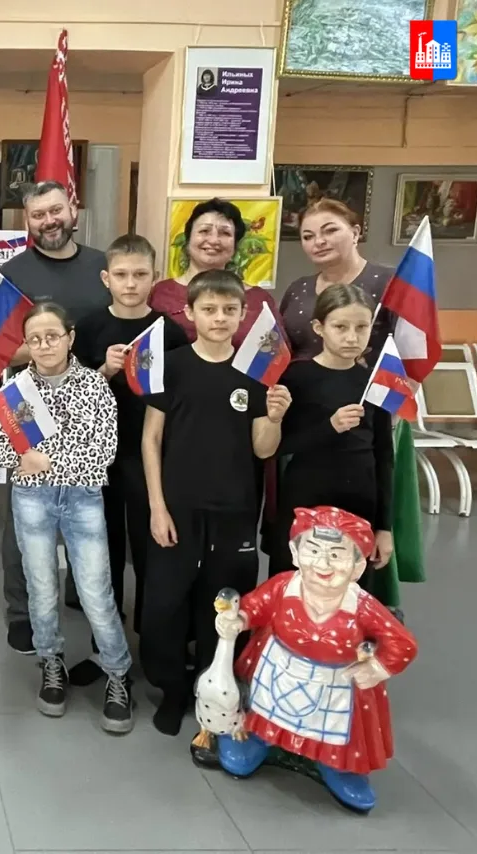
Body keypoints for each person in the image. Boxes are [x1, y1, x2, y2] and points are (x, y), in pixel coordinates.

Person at [0, 301, 135, 733]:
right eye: (35, 339)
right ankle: (51, 663)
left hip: (84, 497)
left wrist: (45, 461)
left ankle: (117, 672)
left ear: (70, 338)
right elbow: (13, 457)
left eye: (52, 336)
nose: (45, 345)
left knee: (95, 592)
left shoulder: (94, 386)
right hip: (31, 498)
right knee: (41, 588)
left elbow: (102, 453)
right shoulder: (17, 390)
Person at [139, 269, 290, 751]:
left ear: (243, 314)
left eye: (229, 310)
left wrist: (274, 416)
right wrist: (157, 507)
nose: (219, 318)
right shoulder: (172, 366)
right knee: (164, 603)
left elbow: (264, 449)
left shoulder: (256, 371)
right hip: (177, 508)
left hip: (234, 509)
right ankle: (172, 688)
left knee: (225, 604)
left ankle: (214, 690)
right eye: (209, 309)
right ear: (190, 312)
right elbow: (151, 439)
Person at [212, 506, 418, 813]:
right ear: (295, 554)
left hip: (336, 684)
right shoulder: (284, 586)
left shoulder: (362, 606)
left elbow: (402, 643)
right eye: (313, 550)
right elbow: (256, 606)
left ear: (358, 567)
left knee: (335, 730)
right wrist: (238, 619)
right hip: (278, 670)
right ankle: (257, 739)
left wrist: (377, 667)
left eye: (336, 555)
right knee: (263, 711)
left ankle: (336, 764)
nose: (323, 563)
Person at [0, 180, 113, 653]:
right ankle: (21, 613)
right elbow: (0, 348)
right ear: (27, 221)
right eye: (38, 214)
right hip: (30, 403)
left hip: (92, 400)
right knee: (25, 514)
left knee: (89, 505)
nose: (48, 221)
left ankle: (82, 597)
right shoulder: (12, 272)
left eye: (55, 210)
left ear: (73, 210)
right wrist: (49, 347)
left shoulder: (103, 265)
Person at [74, 235, 189, 645]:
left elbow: (181, 396)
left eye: (140, 275)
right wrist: (104, 370)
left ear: (154, 277)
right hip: (99, 456)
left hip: (150, 457)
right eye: (121, 275)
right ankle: (104, 643)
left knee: (150, 548)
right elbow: (70, 398)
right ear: (106, 278)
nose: (130, 283)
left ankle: (151, 639)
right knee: (101, 551)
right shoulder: (89, 328)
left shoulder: (169, 332)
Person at [273, 284, 394, 581]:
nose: (352, 337)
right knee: (295, 583)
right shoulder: (295, 376)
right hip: (306, 496)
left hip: (359, 499)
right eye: (340, 327)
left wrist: (384, 527)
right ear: (319, 328)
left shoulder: (374, 382)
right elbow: (279, 445)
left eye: (361, 327)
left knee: (350, 586)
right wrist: (330, 426)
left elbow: (384, 456)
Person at [149, 198, 279, 348]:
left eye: (225, 233)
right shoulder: (160, 293)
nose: (213, 240)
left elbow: (277, 352)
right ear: (188, 239)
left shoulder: (259, 300)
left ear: (235, 245)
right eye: (204, 231)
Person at [279, 198, 395, 362]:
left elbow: (412, 348)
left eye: (330, 231)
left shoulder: (391, 282)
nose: (319, 242)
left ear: (355, 233)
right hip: (297, 378)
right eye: (308, 236)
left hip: (369, 378)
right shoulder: (297, 289)